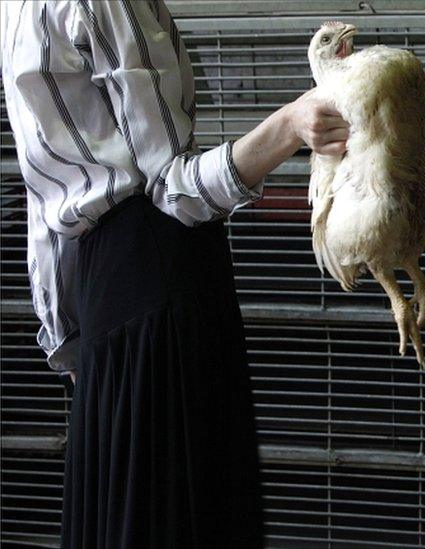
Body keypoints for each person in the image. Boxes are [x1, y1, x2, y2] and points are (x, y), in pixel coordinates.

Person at [0, 1, 348, 547]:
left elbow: (46, 199)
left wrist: (65, 335)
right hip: (161, 293)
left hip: (103, 303)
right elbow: (173, 188)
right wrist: (289, 125)